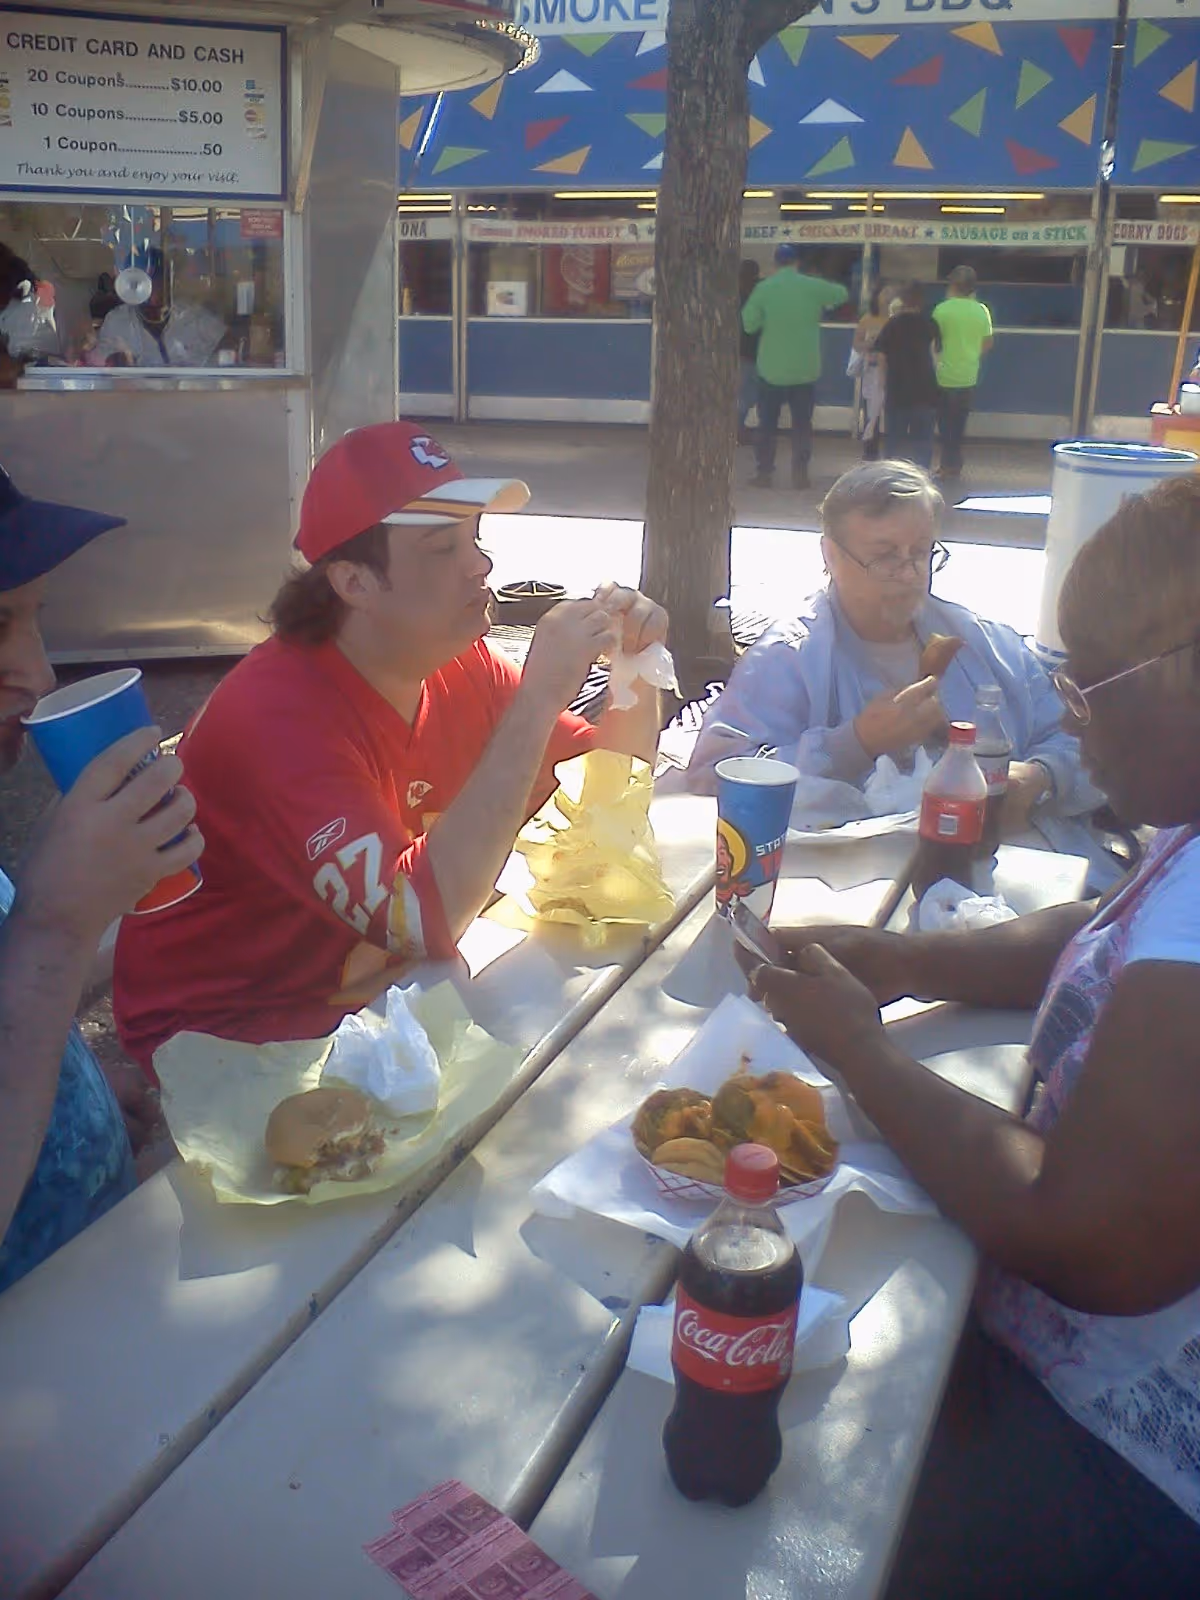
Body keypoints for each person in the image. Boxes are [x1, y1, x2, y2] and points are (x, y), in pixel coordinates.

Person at [743, 473, 1200, 1596]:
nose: (1073, 709)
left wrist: (864, 1051)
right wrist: (903, 959)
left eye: (1091, 682)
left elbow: (1093, 1241)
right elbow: (1099, 926)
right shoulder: (1182, 850)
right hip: (1055, 1366)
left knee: (775, 1512)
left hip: (1123, 1466)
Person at [114, 422, 669, 1070]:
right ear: (353, 583)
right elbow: (423, 920)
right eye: (442, 549)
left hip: (378, 1008)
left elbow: (609, 789)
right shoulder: (277, 717)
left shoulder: (457, 662)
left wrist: (634, 666)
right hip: (229, 1056)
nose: (481, 565)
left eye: (477, 538)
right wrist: (540, 698)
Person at [0, 464, 202, 1293]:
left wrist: (70, 1093)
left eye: (32, 621)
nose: (37, 673)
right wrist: (55, 923)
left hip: (104, 1269)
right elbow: (35, 949)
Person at [686, 460, 1096, 835]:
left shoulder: (981, 642)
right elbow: (713, 778)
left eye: (921, 553)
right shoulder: (790, 656)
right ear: (831, 556)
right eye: (885, 557)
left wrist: (1041, 776)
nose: (910, 574)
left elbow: (1081, 739)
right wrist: (853, 743)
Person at [743, 244, 849, 492]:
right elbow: (842, 294)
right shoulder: (812, 286)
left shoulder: (764, 289)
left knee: (767, 425)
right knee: (802, 425)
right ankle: (800, 474)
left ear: (775, 264)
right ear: (797, 263)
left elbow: (748, 324)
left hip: (771, 369)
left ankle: (764, 474)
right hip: (805, 369)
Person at [97, 247, 226, 368]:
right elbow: (103, 364)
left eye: (159, 278)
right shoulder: (117, 321)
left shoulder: (194, 316)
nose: (154, 286)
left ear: (170, 280)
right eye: (146, 280)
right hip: (135, 391)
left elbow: (227, 342)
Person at [932, 265, 993, 482]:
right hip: (969, 375)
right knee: (958, 424)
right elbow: (987, 343)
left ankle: (947, 464)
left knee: (944, 422)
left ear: (953, 285)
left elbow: (934, 341)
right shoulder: (981, 310)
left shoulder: (941, 310)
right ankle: (954, 463)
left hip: (943, 374)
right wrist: (972, 355)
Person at [873, 282, 941, 471]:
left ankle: (891, 477)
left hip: (897, 390)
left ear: (902, 301)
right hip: (925, 391)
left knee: (894, 441)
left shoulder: (892, 324)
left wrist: (882, 383)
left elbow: (881, 356)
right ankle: (921, 478)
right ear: (922, 302)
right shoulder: (930, 324)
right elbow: (937, 356)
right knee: (923, 442)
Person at [851, 284, 891, 463]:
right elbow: (856, 343)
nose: (889, 296)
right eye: (885, 292)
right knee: (871, 410)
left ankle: (891, 451)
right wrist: (868, 344)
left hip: (892, 369)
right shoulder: (867, 319)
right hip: (872, 369)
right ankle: (870, 450)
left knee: (890, 410)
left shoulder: (895, 318)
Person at [737, 259, 761, 445]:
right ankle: (740, 429)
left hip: (741, 351)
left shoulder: (735, 293)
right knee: (753, 394)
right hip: (759, 351)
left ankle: (737, 428)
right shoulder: (760, 291)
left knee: (744, 394)